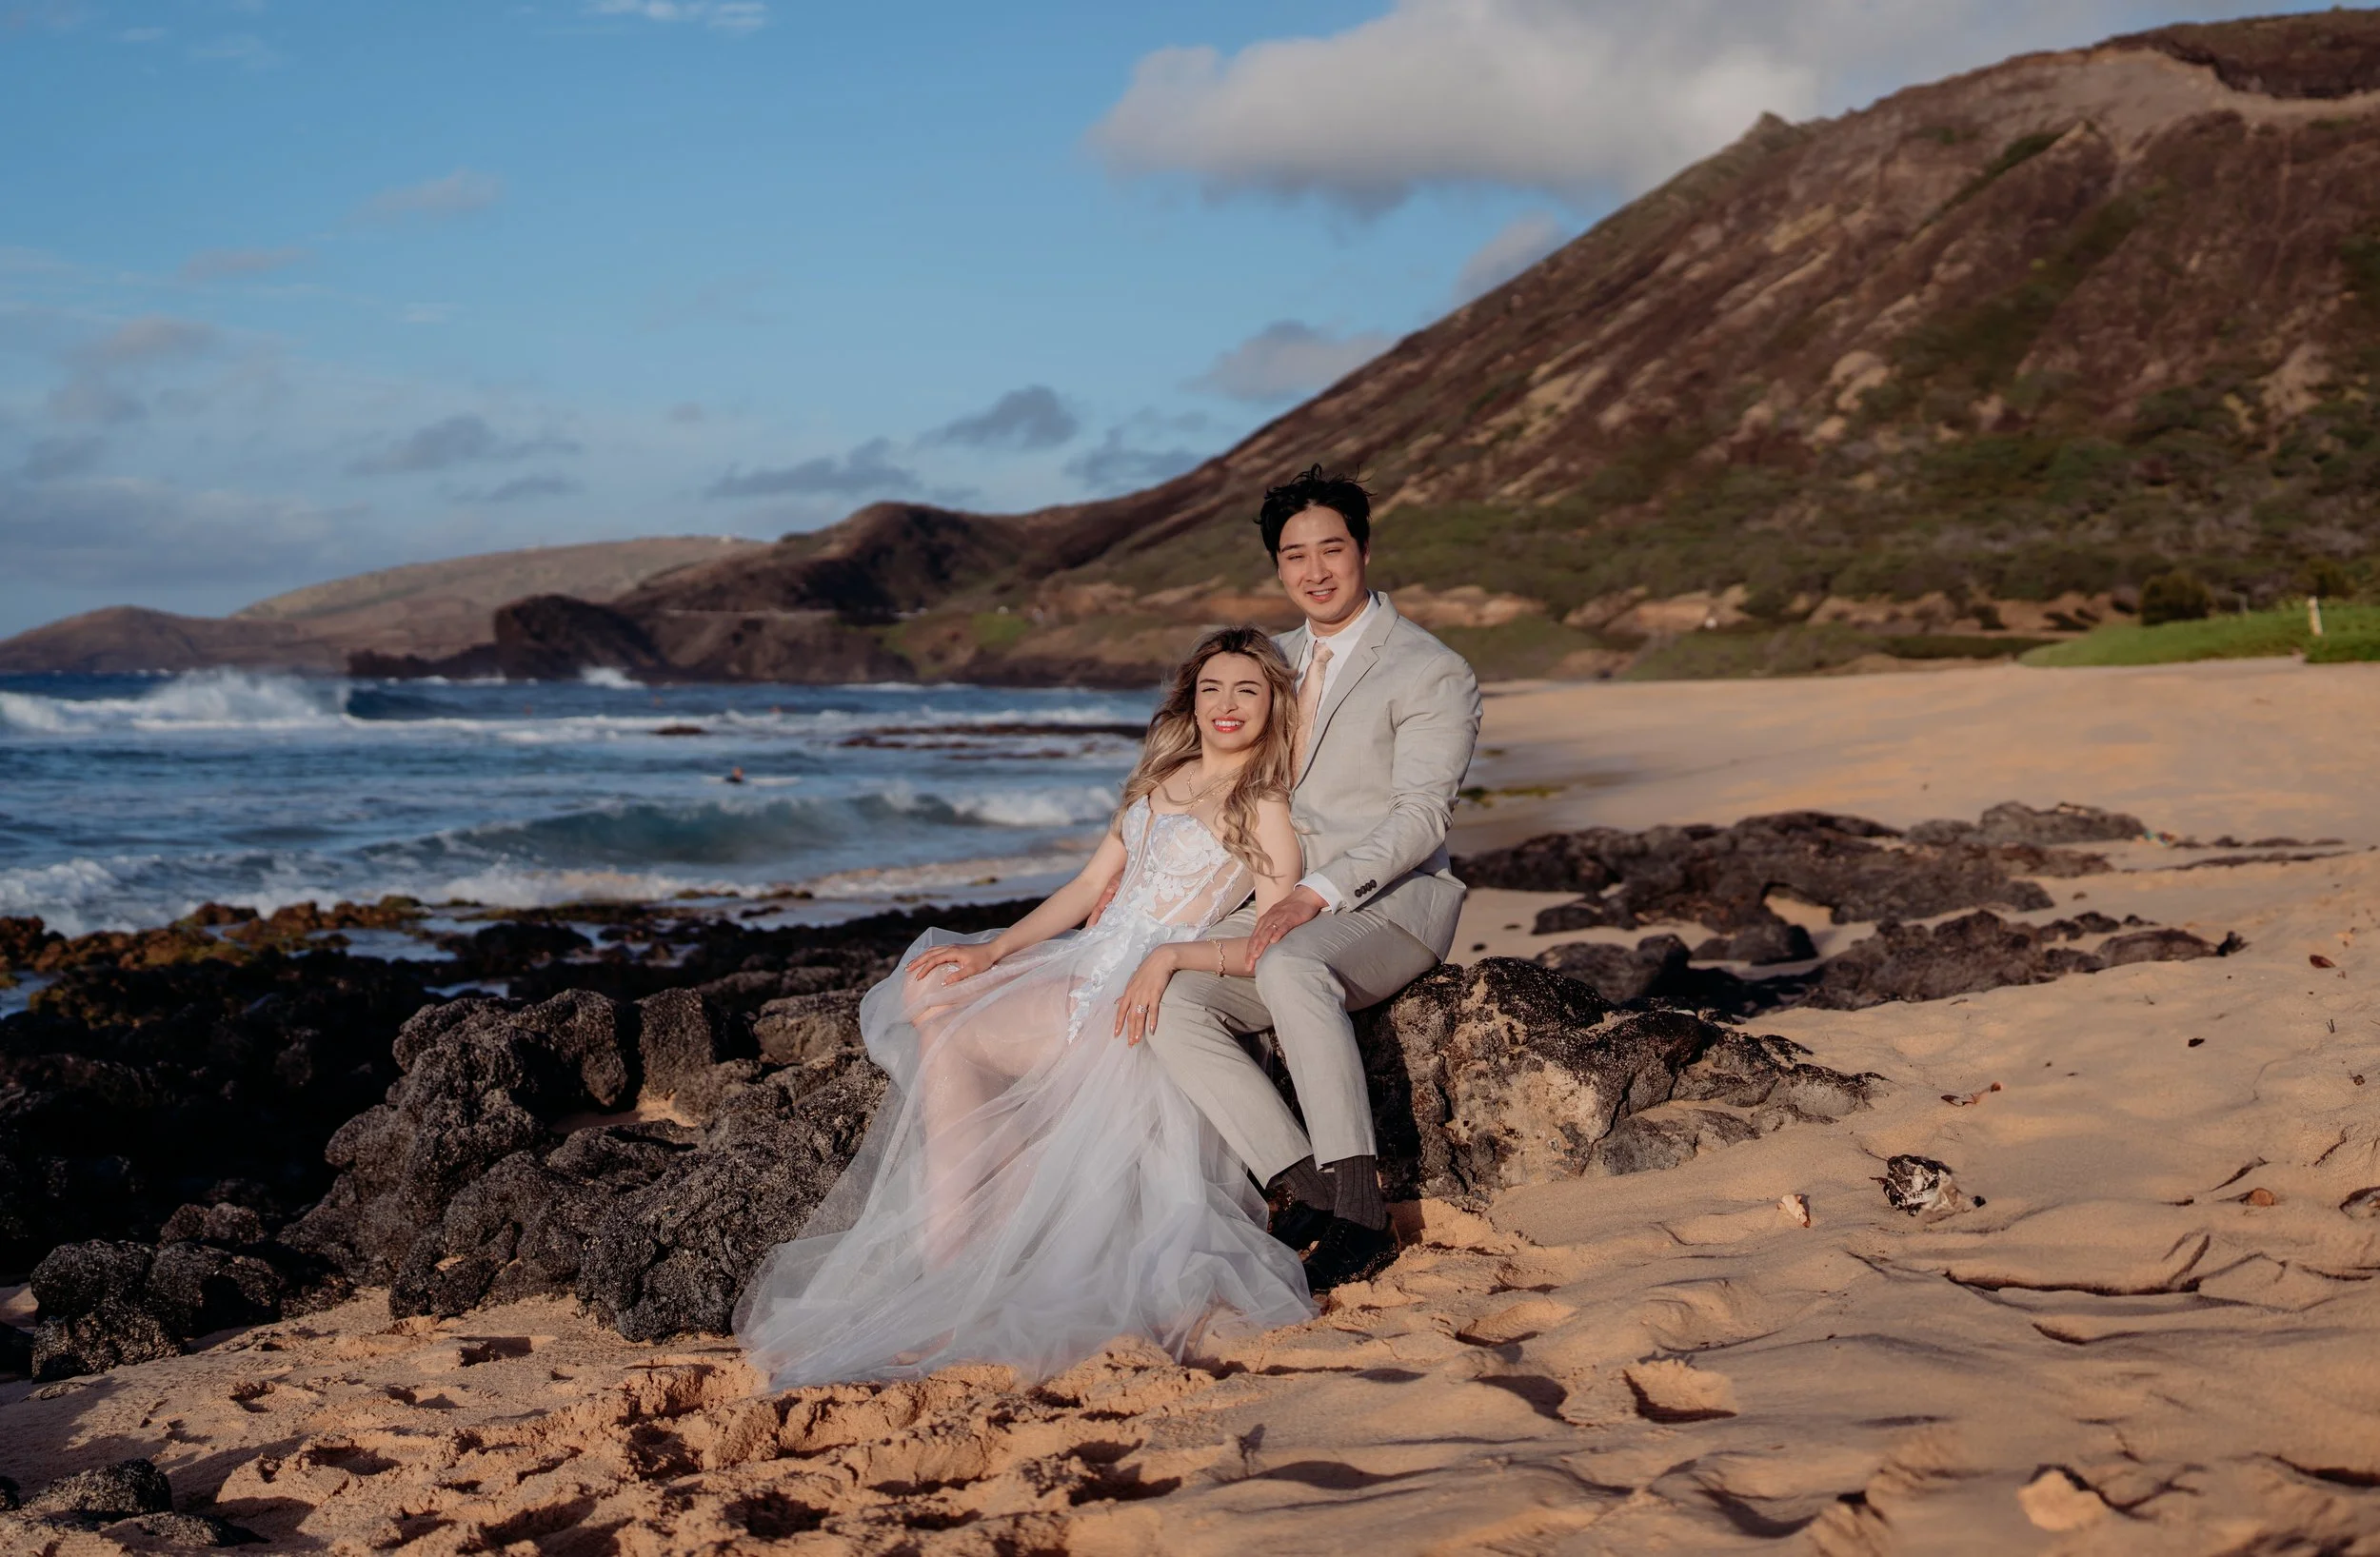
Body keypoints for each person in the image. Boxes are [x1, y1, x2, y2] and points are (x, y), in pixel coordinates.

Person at [734, 627, 1317, 1389]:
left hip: (1136, 993)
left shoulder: (1263, 804)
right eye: (1212, 689)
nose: (1228, 705)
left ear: (1273, 704)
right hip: (1086, 959)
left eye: (1247, 690)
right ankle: (961, 1271)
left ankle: (955, 1280)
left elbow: (1268, 938)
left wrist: (1174, 956)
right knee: (933, 991)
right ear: (1190, 700)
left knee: (951, 1046)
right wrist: (994, 952)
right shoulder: (1159, 779)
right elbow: (1083, 892)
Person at [1143, 466, 1482, 1292]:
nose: (1316, 570)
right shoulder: (1272, 661)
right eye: (1296, 555)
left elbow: (1422, 817)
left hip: (1387, 908)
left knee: (1293, 964)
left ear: (1363, 550)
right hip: (1274, 901)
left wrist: (1316, 893)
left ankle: (1363, 1217)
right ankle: (1301, 1185)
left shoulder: (1431, 671)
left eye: (1332, 548)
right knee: (1170, 998)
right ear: (1279, 568)